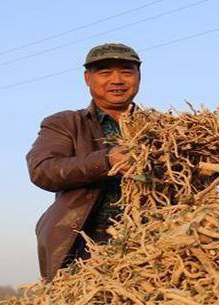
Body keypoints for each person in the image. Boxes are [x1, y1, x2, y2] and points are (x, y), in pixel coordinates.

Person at [26, 43, 140, 281]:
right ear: (88, 78)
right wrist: (106, 161)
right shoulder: (65, 123)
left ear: (138, 77)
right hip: (85, 247)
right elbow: (43, 169)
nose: (117, 80)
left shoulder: (161, 127)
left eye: (126, 72)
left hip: (151, 242)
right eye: (105, 72)